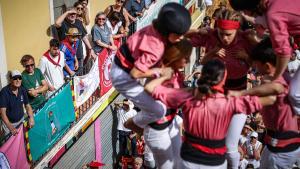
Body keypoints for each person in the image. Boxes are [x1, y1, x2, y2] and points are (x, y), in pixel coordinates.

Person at [144, 59, 274, 169]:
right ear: (223, 80)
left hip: (188, 161)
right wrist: (242, 94)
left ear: (202, 76)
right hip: (215, 163)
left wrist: (164, 75)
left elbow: (149, 88)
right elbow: (272, 98)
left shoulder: (187, 95)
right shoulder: (231, 102)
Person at [186, 9, 259, 168]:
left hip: (238, 98)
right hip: (214, 99)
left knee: (230, 147)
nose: (224, 38)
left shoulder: (246, 39)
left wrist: (247, 57)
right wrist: (199, 33)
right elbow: (177, 34)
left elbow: (261, 62)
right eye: (221, 33)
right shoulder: (211, 36)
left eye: (229, 34)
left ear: (237, 31)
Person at [111, 2, 191, 133]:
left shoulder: (155, 28)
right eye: (178, 35)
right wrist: (159, 71)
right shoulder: (155, 48)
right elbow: (135, 74)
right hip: (123, 77)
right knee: (158, 110)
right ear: (168, 32)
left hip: (124, 62)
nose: (180, 38)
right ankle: (133, 124)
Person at [230, 38, 300, 168]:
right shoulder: (283, 74)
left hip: (281, 149)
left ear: (267, 66)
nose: (255, 68)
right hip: (278, 145)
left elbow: (274, 88)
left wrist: (241, 94)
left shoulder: (273, 81)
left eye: (257, 65)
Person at [143, 39, 192, 169]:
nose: (187, 61)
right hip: (157, 127)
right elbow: (148, 88)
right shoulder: (160, 70)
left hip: (171, 122)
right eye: (185, 58)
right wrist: (164, 77)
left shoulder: (177, 73)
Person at [229, 0, 300, 81]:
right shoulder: (273, 5)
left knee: (294, 92)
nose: (244, 14)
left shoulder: (273, 14)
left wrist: (275, 79)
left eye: (243, 11)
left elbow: (284, 52)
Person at [0, 70, 34, 135]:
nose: (18, 80)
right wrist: (11, 127)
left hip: (21, 121)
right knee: (10, 144)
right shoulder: (4, 92)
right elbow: (2, 113)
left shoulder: (22, 89)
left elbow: (27, 105)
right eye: (15, 78)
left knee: (23, 141)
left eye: (20, 78)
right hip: (8, 125)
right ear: (10, 79)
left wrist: (31, 118)